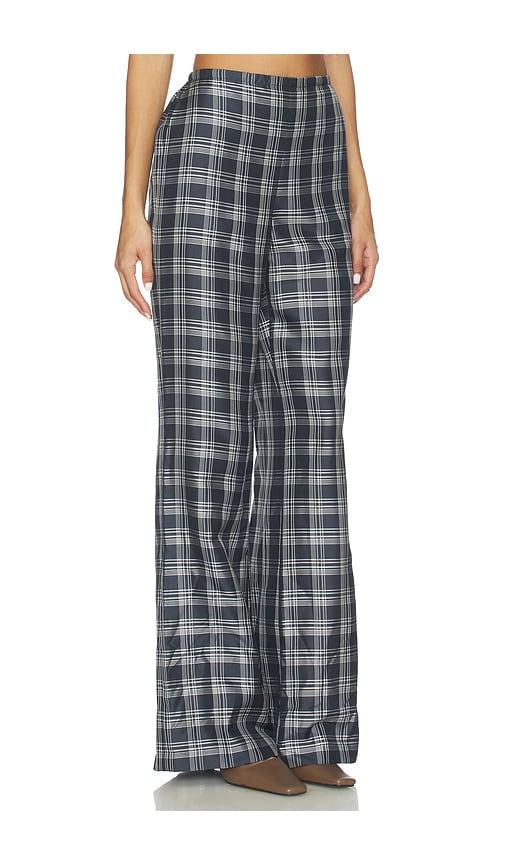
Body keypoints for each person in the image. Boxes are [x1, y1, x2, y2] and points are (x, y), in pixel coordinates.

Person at [115, 54, 378, 796]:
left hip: (315, 140)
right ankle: (218, 724)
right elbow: (148, 50)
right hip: (211, 134)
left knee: (312, 445)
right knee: (207, 435)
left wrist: (358, 192)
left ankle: (309, 723)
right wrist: (133, 207)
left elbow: (335, 47)